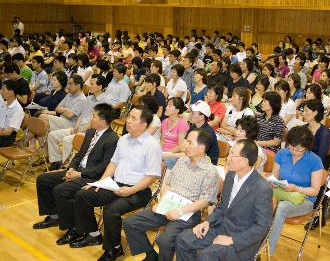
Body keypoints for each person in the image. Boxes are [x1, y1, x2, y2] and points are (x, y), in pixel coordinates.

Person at [73, 106, 162, 261]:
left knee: (111, 211)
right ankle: (93, 234)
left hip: (137, 191)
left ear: (144, 124)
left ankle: (114, 249)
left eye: (134, 118)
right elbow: (113, 164)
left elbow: (151, 177)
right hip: (115, 185)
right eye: (129, 116)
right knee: (82, 194)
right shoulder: (123, 139)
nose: (128, 120)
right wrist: (100, 183)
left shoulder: (152, 145)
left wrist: (131, 190)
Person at [123, 129, 220, 261]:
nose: (185, 144)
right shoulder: (182, 161)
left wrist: (180, 211)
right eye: (186, 140)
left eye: (190, 142)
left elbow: (206, 200)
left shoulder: (210, 171)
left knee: (164, 240)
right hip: (169, 204)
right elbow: (168, 184)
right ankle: (151, 255)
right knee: (131, 223)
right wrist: (162, 202)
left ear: (202, 148)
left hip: (188, 213)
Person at [32, 104, 119, 243]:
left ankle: (73, 227)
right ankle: (54, 215)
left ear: (103, 120)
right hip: (77, 172)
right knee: (43, 179)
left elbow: (103, 168)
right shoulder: (91, 132)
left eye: (94, 116)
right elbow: (79, 155)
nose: (91, 118)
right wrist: (72, 168)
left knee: (61, 190)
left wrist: (79, 174)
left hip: (92, 177)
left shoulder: (112, 140)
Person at [175, 139, 273, 261]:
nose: (228, 157)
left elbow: (262, 226)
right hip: (220, 228)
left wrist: (232, 240)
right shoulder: (231, 176)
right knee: (183, 239)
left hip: (241, 240)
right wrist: (207, 222)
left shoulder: (262, 188)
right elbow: (222, 206)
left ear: (243, 161)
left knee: (206, 256)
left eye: (232, 154)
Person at [269, 126, 324, 254]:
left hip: (304, 200)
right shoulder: (282, 153)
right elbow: (274, 177)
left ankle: (268, 249)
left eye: (299, 149)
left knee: (281, 207)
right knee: (261, 199)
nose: (294, 151)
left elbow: (315, 191)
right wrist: (274, 183)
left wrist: (297, 188)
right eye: (292, 147)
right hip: (281, 193)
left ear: (307, 147)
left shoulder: (315, 161)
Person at [0, 80, 25, 147]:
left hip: (7, 138)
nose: (1, 92)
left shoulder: (18, 109)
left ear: (10, 92)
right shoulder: (4, 103)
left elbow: (9, 132)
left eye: (3, 90)